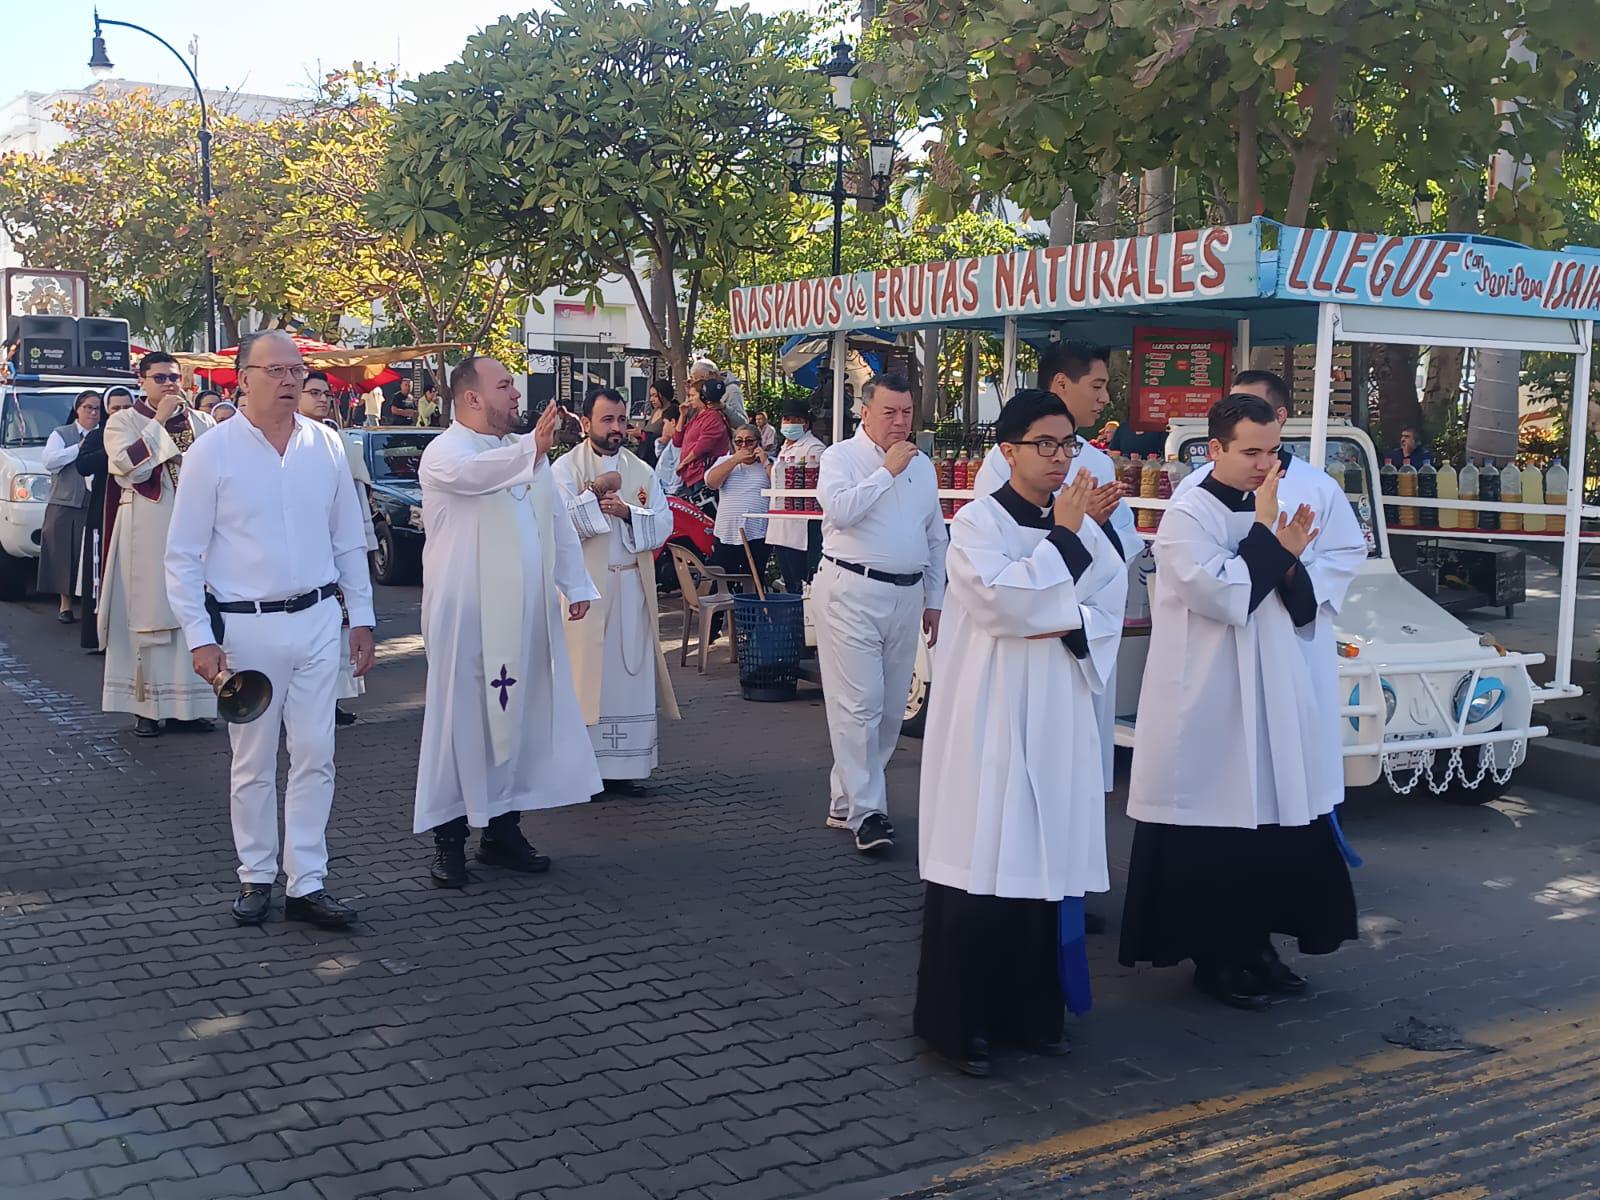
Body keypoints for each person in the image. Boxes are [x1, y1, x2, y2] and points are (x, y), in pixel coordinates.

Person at [1120, 393, 1359, 1010]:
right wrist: (1276, 547)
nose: (1263, 464)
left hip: (1276, 684)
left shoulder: (1284, 501)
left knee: (1271, 829)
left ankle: (1258, 949)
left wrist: (1286, 557)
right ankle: (1216, 960)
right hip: (1210, 692)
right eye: (1250, 452)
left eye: (1272, 451)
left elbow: (1325, 573)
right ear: (1216, 448)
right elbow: (1223, 594)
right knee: (1215, 836)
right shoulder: (1189, 513)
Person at [915, 390, 1128, 1077]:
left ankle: (1033, 1013)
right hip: (992, 712)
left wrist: (1060, 600)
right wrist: (1063, 547)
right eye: (1046, 444)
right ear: (1006, 450)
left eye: (1069, 445)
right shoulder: (976, 522)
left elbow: (1108, 605)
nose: (1061, 458)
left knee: (1040, 862)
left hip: (1057, 709)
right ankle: (962, 1022)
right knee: (981, 860)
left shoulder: (1088, 530)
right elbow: (1004, 605)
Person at [165, 331, 376, 929]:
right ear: (243, 377)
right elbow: (182, 554)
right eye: (275, 370)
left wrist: (360, 618)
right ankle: (257, 875)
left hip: (316, 621)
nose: (289, 380)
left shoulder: (327, 446)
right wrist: (199, 636)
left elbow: (348, 540)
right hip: (246, 628)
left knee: (316, 752)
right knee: (252, 760)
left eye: (296, 369)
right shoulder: (213, 452)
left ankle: (307, 881)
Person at [412, 358, 601, 889]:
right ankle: (449, 839)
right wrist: (532, 449)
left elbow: (554, 518)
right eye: (504, 386)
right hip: (467, 616)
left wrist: (575, 583)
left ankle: (502, 828)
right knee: (461, 721)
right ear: (472, 398)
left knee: (514, 715)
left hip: (525, 611)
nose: (516, 394)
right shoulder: (445, 452)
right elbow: (477, 479)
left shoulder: (521, 455)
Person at [973, 342, 1136, 797]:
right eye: (1098, 385)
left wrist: (1093, 530)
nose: (1060, 459)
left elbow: (1117, 561)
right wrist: (1068, 531)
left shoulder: (1098, 461)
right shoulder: (998, 470)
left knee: (1073, 784)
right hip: (1017, 659)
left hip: (1075, 654)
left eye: (1066, 446)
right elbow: (1005, 558)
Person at [814, 372, 948, 855]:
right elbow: (842, 511)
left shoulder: (924, 467)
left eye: (907, 412)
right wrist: (885, 471)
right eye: (889, 412)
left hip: (907, 595)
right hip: (851, 588)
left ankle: (844, 797)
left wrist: (936, 599)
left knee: (890, 708)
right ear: (864, 412)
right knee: (859, 704)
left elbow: (935, 536)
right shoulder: (839, 458)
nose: (899, 422)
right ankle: (868, 811)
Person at [553, 388, 680, 797]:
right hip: (585, 590)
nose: (617, 428)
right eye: (607, 420)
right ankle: (582, 770)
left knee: (628, 673)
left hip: (629, 586)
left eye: (622, 419)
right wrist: (593, 497)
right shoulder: (565, 469)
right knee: (585, 674)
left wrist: (627, 512)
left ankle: (626, 768)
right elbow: (557, 525)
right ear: (585, 423)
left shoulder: (641, 470)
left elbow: (663, 524)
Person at [1172, 370, 1367, 601]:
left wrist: (1293, 578)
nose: (1240, 414)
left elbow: (1345, 553)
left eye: (1252, 406)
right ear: (1215, 448)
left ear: (1279, 415)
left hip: (1289, 629)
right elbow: (1200, 580)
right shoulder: (1194, 489)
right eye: (1233, 406)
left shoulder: (1319, 487)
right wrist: (1274, 552)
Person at [100, 352, 217, 737]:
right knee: (149, 614)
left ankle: (194, 705)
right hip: (147, 526)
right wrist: (160, 419)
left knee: (194, 612)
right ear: (142, 381)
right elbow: (130, 467)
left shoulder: (202, 421)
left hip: (196, 528)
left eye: (175, 377)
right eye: (161, 377)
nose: (170, 383)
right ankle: (147, 707)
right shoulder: (122, 421)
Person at [301, 371, 378, 728]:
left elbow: (355, 494)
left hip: (336, 551)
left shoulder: (335, 438)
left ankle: (331, 700)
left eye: (325, 393)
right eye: (313, 392)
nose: (322, 399)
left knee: (339, 629)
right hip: (304, 556)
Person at [75, 387, 134, 652]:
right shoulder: (99, 436)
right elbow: (83, 465)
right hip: (104, 513)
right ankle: (100, 635)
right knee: (103, 574)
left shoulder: (142, 434)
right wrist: (113, 451)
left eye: (126, 408)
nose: (121, 413)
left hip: (137, 512)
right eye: (115, 409)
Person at [40, 389, 101, 623]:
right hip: (65, 503)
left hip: (93, 502)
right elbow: (49, 461)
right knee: (63, 554)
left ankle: (91, 605)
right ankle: (65, 605)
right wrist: (80, 447)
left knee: (90, 556)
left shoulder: (106, 434)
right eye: (88, 408)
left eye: (97, 409)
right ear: (77, 410)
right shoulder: (62, 434)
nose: (93, 413)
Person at [768, 399, 827, 595]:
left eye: (795, 419)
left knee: (801, 582)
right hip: (780, 520)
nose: (789, 423)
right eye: (786, 419)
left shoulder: (814, 449)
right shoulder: (784, 446)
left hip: (801, 526)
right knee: (788, 580)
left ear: (806, 423)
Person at [705, 422, 773, 583]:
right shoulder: (725, 461)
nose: (744, 445)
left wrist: (765, 461)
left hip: (757, 534)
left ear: (758, 442)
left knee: (754, 581)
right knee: (723, 581)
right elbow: (711, 482)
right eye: (739, 441)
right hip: (727, 532)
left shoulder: (769, 463)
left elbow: (779, 485)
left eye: (749, 441)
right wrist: (734, 460)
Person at [673, 376, 733, 494]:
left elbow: (703, 446)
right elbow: (677, 440)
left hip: (701, 474)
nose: (689, 399)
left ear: (703, 396)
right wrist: (682, 416)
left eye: (692, 395)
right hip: (689, 475)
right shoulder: (696, 416)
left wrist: (684, 462)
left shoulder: (713, 417)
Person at [653, 403, 683, 497]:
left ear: (673, 422)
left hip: (669, 491)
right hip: (662, 489)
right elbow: (660, 456)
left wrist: (672, 491)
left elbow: (677, 467)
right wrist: (662, 441)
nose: (663, 427)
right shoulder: (671, 441)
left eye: (664, 423)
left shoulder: (677, 444)